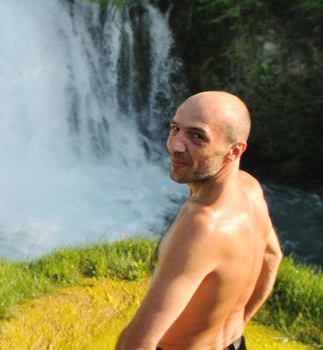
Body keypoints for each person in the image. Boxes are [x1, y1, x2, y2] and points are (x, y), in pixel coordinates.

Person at [116, 91, 283, 350]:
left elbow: (135, 344)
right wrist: (241, 321)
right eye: (175, 128)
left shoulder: (202, 226)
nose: (175, 145)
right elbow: (273, 259)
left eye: (197, 136)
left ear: (234, 150)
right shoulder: (250, 188)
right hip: (235, 343)